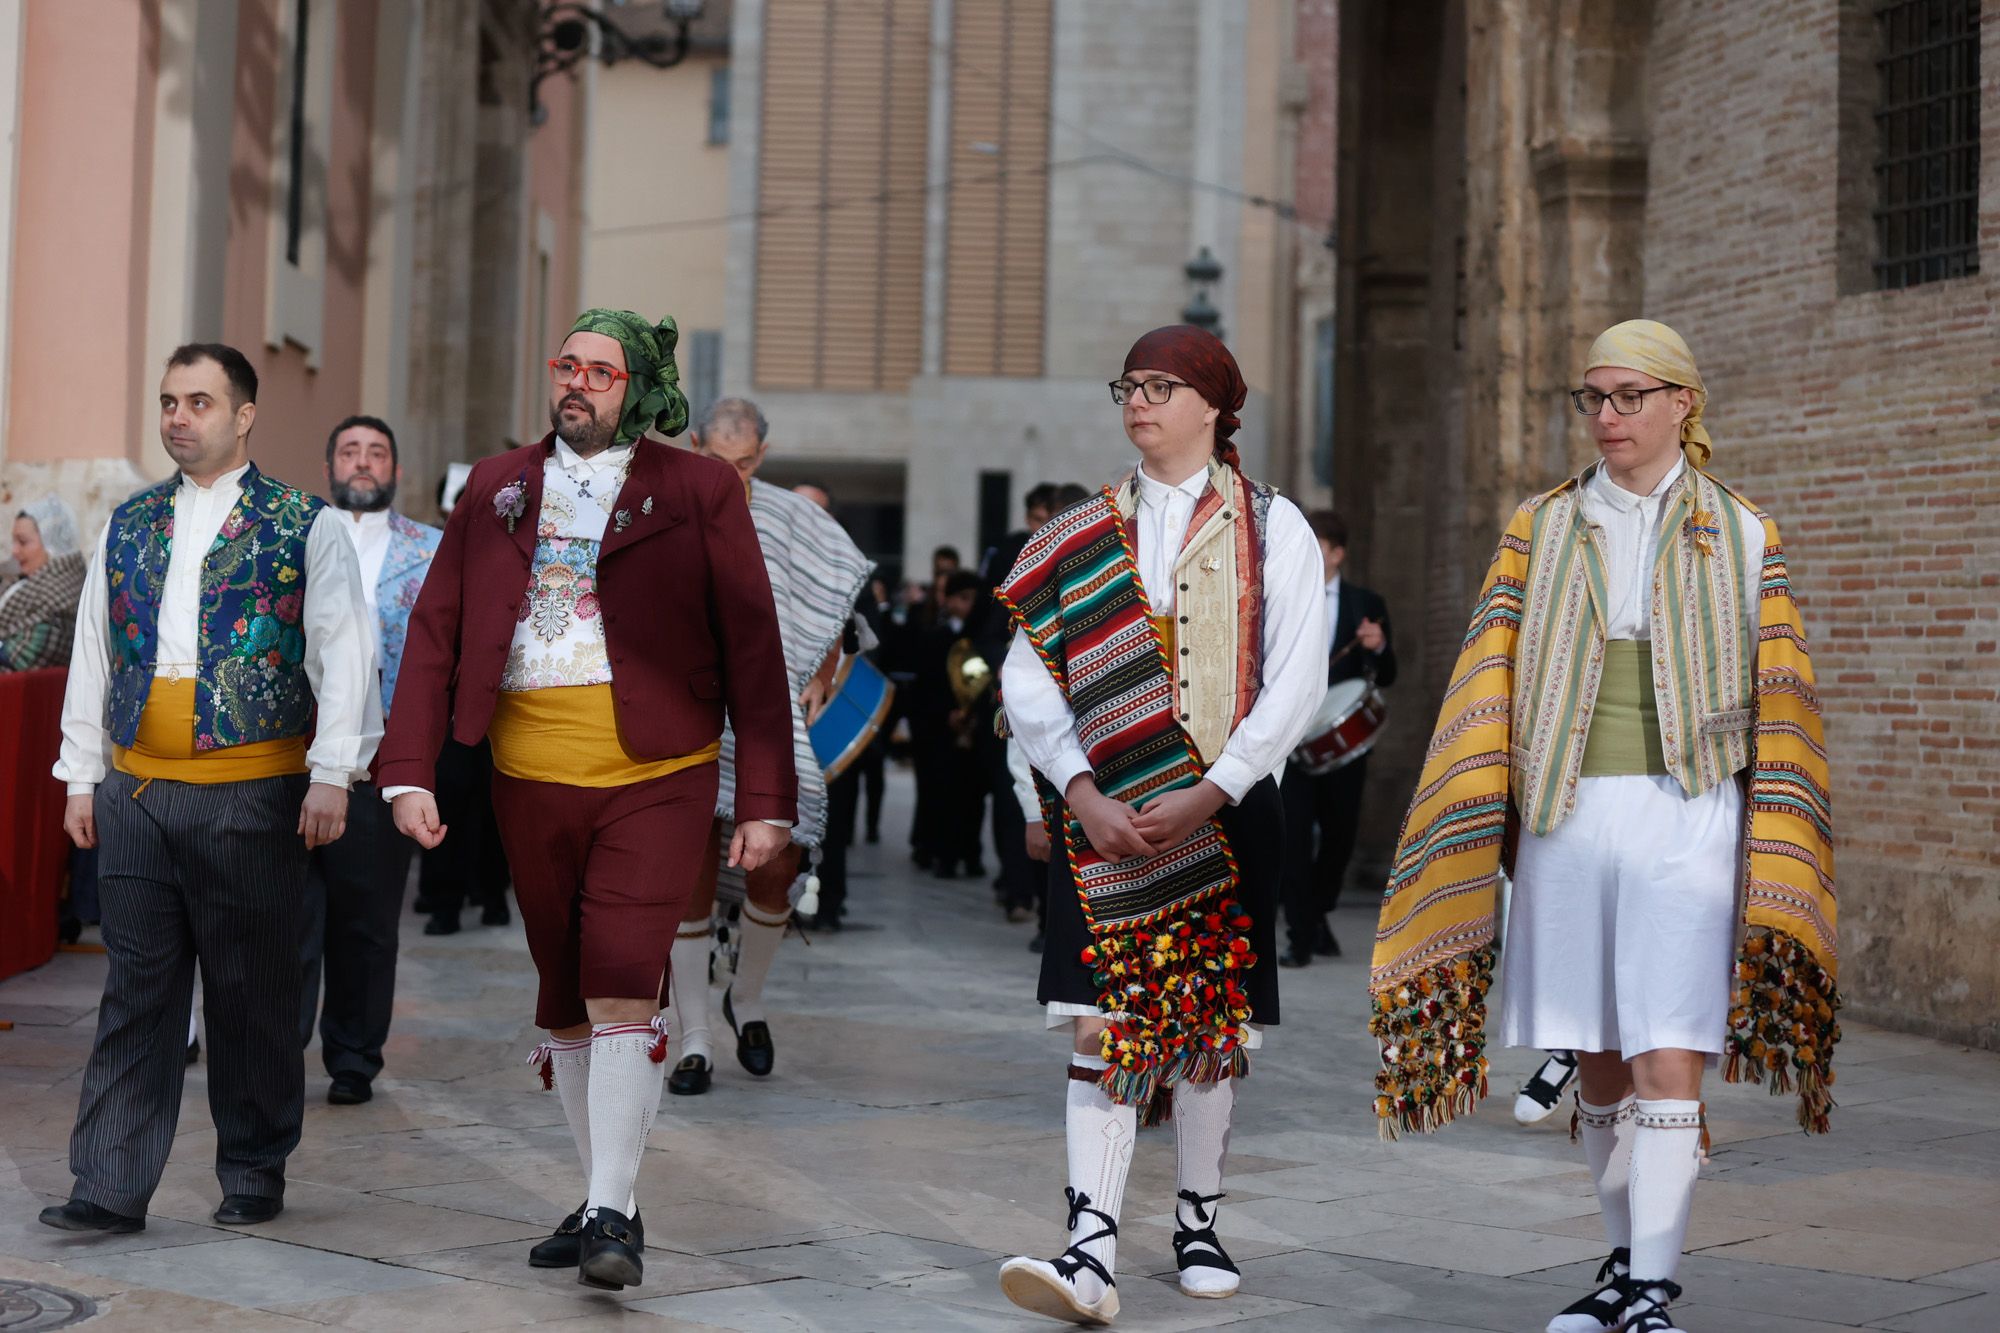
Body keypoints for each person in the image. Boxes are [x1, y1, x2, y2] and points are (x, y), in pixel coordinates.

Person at [1369, 320, 1839, 1333]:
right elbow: (1484, 677)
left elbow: (1783, 699)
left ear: (1682, 403)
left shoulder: (1744, 530)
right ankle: (1622, 1266)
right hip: (1563, 815)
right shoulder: (1536, 526)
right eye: (1592, 397)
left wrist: (1776, 843)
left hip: (1690, 812)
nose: (1607, 416)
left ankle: (1652, 1289)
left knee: (1669, 1049)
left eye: (1629, 395)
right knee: (1594, 1056)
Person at [377, 309, 796, 1291]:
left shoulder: (695, 488)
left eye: (601, 371)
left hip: (658, 771)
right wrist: (406, 768)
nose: (578, 382)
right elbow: (435, 627)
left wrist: (766, 795)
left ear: (639, 388)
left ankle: (610, 1207)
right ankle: (610, 1195)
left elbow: (751, 641)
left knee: (617, 972)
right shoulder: (495, 484)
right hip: (527, 772)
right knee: (564, 992)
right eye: (567, 365)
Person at [995, 325, 1325, 1323]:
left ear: (1216, 405)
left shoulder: (1275, 529)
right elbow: (1027, 673)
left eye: (1160, 386)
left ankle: (1196, 1217)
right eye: (1128, 385)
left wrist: (1215, 786)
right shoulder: (1075, 531)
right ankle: (1088, 1246)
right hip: (1103, 808)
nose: (1137, 402)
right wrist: (1079, 792)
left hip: (1221, 809)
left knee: (1207, 1023)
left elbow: (1295, 677)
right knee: (1100, 1017)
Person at [42, 343, 379, 1234]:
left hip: (253, 792)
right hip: (138, 794)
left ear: (244, 416)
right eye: (167, 402)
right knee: (136, 991)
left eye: (197, 401)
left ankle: (255, 1164)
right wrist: (81, 775)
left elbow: (344, 654)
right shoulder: (131, 521)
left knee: (252, 991)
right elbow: (93, 652)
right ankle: (109, 1182)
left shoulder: (303, 522)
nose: (178, 418)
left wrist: (333, 773)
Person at [666, 398, 872, 1097]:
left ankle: (746, 997)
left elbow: (834, 599)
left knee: (775, 864)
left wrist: (821, 668)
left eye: (748, 463)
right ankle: (692, 1036)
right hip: (681, 709)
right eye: (720, 462)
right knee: (684, 867)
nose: (734, 475)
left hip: (768, 711)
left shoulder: (793, 516)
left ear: (764, 452)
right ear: (694, 445)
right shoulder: (664, 504)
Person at [297, 414, 441, 1105]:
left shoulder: (432, 551)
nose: (362, 462)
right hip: (291, 755)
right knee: (284, 912)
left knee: (367, 916)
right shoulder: (293, 536)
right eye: (349, 450)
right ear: (329, 465)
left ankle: (354, 1054)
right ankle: (276, 1041)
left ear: (396, 470)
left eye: (376, 452)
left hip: (383, 762)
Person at [1277, 508, 1395, 966]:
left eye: (1318, 544)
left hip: (1343, 744)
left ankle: (1319, 911)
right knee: (1293, 839)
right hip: (1289, 738)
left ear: (1337, 553)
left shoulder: (1368, 603)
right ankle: (1299, 936)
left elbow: (1389, 673)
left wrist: (1377, 646)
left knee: (1340, 836)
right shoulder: (1281, 596)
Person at [909, 570, 989, 880]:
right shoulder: (934, 637)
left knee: (973, 798)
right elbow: (926, 687)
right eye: (963, 598)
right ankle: (943, 854)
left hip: (975, 732)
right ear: (950, 600)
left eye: (973, 599)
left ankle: (971, 853)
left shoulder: (982, 639)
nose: (969, 605)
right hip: (942, 733)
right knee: (942, 795)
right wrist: (946, 715)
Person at [1, 496, 87, 672]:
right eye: (14, 542)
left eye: (23, 542)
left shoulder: (60, 597)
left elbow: (24, 657)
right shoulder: (26, 580)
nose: (15, 551)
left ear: (51, 543)